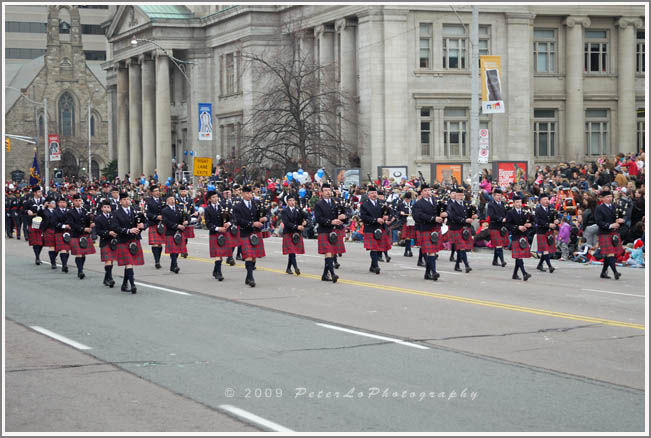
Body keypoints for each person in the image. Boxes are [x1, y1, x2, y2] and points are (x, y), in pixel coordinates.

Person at [233, 185, 267, 287]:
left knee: (254, 257)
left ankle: (248, 276)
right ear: (242, 194)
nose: (249, 195)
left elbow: (265, 213)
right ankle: (251, 278)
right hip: (245, 233)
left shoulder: (256, 204)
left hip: (256, 233)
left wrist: (265, 218)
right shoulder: (238, 207)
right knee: (248, 255)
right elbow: (238, 220)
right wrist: (252, 224)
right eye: (247, 193)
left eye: (250, 193)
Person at [113, 191, 145, 293]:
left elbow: (145, 221)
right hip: (123, 240)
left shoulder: (135, 210)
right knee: (129, 263)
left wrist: (143, 225)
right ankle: (132, 285)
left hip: (134, 240)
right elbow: (115, 227)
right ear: (120, 202)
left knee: (129, 263)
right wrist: (128, 231)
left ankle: (124, 284)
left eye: (128, 199)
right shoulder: (116, 213)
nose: (127, 201)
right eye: (124, 200)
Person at [412, 183, 445, 281]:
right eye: (425, 191)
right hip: (426, 228)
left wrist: (445, 215)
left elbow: (442, 211)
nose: (427, 192)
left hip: (436, 228)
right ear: (421, 193)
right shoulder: (418, 204)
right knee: (431, 252)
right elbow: (418, 216)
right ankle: (433, 272)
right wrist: (433, 218)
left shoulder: (436, 201)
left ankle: (427, 273)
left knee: (432, 252)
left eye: (429, 190)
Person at [314, 183, 344, 283]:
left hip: (334, 231)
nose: (328, 192)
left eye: (329, 190)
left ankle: (324, 275)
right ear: (321, 193)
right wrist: (330, 222)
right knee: (328, 252)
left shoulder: (335, 202)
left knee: (331, 254)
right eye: (325, 190)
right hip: (324, 231)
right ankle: (333, 274)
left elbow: (343, 213)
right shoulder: (319, 204)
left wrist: (343, 217)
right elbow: (318, 218)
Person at [594, 189, 623, 280]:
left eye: (610, 197)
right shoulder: (599, 208)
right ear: (602, 198)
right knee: (610, 253)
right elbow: (598, 221)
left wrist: (621, 221)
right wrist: (610, 225)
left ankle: (603, 272)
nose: (609, 198)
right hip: (604, 233)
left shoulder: (614, 207)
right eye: (607, 197)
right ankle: (615, 272)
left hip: (613, 233)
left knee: (609, 254)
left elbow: (617, 218)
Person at [360, 185, 389, 274]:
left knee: (377, 248)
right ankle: (376, 266)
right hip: (370, 228)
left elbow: (388, 212)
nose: (374, 195)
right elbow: (363, 217)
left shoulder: (381, 203)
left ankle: (372, 266)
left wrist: (386, 216)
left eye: (375, 193)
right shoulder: (364, 205)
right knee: (374, 248)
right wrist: (375, 219)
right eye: (372, 193)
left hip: (380, 228)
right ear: (368, 195)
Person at [66, 194, 96, 279]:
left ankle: (81, 268)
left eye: (79, 200)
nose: (78, 202)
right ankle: (80, 271)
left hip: (84, 235)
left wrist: (91, 223)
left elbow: (88, 220)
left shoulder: (85, 211)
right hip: (75, 234)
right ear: (73, 201)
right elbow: (71, 224)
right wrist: (83, 229)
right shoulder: (70, 212)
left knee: (83, 254)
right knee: (78, 253)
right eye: (76, 201)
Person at [446, 188, 475, 273]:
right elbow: (453, 217)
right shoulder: (451, 205)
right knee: (462, 247)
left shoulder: (466, 204)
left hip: (465, 229)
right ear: (455, 196)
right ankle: (467, 265)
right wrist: (464, 220)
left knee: (460, 248)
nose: (461, 197)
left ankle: (457, 265)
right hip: (456, 228)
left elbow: (471, 213)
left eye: (462, 195)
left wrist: (474, 216)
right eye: (459, 195)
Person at [204, 190, 230, 281]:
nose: (216, 199)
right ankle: (219, 273)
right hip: (214, 233)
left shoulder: (223, 207)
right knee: (218, 254)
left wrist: (228, 223)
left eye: (216, 197)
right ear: (209, 199)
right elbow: (208, 224)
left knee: (221, 254)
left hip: (223, 233)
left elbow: (231, 218)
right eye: (213, 197)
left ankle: (215, 271)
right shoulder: (207, 209)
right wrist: (218, 228)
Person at [506, 195, 533, 281]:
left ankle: (515, 274)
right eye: (517, 202)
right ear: (513, 203)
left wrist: (530, 224)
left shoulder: (526, 212)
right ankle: (524, 273)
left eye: (520, 202)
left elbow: (533, 221)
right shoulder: (510, 213)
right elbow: (507, 225)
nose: (519, 204)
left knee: (519, 257)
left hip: (524, 235)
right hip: (515, 236)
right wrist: (517, 227)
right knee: (519, 256)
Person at [281, 193, 306, 275]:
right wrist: (297, 226)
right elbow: (286, 223)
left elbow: (304, 218)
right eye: (290, 200)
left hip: (296, 233)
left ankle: (288, 268)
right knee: (291, 251)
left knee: (292, 251)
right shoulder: (284, 211)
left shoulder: (298, 210)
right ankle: (296, 268)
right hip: (288, 233)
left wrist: (305, 222)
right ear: (287, 202)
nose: (292, 202)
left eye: (293, 200)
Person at [94, 199, 118, 287]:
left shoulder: (114, 217)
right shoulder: (98, 218)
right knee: (108, 260)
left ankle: (106, 279)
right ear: (101, 208)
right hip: (105, 241)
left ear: (110, 208)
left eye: (108, 207)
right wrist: (108, 233)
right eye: (105, 207)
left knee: (111, 261)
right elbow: (98, 231)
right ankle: (110, 278)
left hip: (113, 242)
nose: (106, 209)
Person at [162, 194, 188, 274]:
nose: (172, 200)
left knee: (177, 251)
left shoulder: (179, 208)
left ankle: (172, 265)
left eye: (173, 199)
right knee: (173, 250)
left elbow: (187, 216)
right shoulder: (165, 210)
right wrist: (177, 226)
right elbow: (165, 221)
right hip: (170, 231)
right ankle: (175, 265)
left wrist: (186, 221)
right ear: (167, 201)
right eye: (170, 199)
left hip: (179, 232)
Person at [534, 193, 558, 273]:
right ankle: (550, 266)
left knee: (546, 250)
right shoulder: (538, 210)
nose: (547, 201)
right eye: (544, 199)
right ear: (540, 201)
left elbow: (556, 216)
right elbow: (538, 221)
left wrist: (556, 220)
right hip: (541, 232)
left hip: (549, 232)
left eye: (547, 199)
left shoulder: (551, 208)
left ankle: (540, 264)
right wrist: (548, 225)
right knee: (545, 250)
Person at [486, 188, 508, 267]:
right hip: (494, 226)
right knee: (498, 244)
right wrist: (501, 219)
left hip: (501, 227)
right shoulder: (490, 204)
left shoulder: (503, 204)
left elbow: (506, 213)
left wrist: (506, 218)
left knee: (498, 244)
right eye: (497, 195)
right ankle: (502, 261)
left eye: (500, 195)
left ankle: (495, 261)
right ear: (494, 196)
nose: (499, 197)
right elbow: (491, 215)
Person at [24, 186, 46, 265]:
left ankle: (38, 255)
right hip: (33, 222)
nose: (41, 193)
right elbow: (22, 210)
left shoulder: (44, 201)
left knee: (42, 241)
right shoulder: (29, 202)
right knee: (35, 241)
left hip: (42, 223)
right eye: (39, 191)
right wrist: (27, 211)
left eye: (41, 191)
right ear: (34, 193)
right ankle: (37, 257)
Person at [145, 185, 165, 269]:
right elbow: (147, 213)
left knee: (160, 244)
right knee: (155, 243)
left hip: (162, 225)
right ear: (152, 193)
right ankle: (157, 261)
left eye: (158, 191)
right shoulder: (148, 201)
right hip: (153, 224)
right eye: (155, 191)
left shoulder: (162, 200)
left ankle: (158, 259)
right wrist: (156, 217)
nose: (157, 192)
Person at [53, 197, 72, 273]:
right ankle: (64, 265)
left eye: (64, 202)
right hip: (59, 232)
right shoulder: (55, 212)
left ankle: (64, 263)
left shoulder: (70, 211)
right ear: (58, 203)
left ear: (66, 204)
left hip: (68, 232)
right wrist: (64, 226)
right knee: (63, 249)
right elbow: (54, 222)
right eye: (61, 202)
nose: (62, 204)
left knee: (66, 250)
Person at [398, 192, 415, 257]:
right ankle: (409, 250)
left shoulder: (412, 205)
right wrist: (400, 212)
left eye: (409, 199)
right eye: (407, 199)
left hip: (412, 221)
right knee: (407, 236)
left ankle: (406, 251)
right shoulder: (401, 205)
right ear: (404, 198)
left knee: (410, 236)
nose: (408, 200)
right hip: (405, 221)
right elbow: (396, 212)